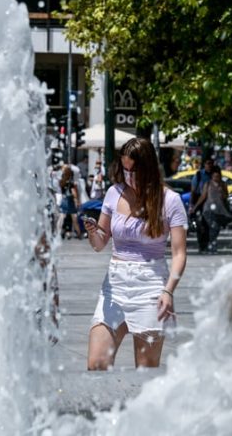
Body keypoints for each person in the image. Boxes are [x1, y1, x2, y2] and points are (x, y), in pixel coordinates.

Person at [83, 138, 187, 370]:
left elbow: (179, 254)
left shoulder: (170, 200)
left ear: (149, 168)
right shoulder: (114, 193)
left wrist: (168, 290)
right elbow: (100, 244)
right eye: (125, 170)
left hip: (151, 285)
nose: (129, 176)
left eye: (134, 171)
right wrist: (93, 233)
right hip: (115, 284)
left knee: (146, 370)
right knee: (97, 363)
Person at [191, 165, 232, 254]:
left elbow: (226, 197)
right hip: (208, 210)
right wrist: (195, 207)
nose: (216, 178)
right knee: (213, 227)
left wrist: (222, 193)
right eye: (214, 176)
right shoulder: (208, 184)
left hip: (220, 210)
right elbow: (203, 196)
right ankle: (212, 246)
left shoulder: (223, 184)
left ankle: (211, 244)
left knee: (216, 229)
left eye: (217, 176)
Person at [189, 159, 213, 253]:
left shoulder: (214, 174)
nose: (210, 165)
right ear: (204, 165)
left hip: (210, 201)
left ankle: (207, 244)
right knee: (200, 224)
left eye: (211, 163)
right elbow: (193, 190)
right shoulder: (199, 175)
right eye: (208, 163)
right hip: (199, 201)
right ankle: (201, 244)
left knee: (208, 224)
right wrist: (192, 205)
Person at [58, 165, 82, 239]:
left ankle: (57, 234)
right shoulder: (72, 183)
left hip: (64, 200)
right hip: (70, 201)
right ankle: (79, 234)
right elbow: (74, 193)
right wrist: (77, 201)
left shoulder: (62, 181)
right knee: (74, 219)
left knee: (61, 217)